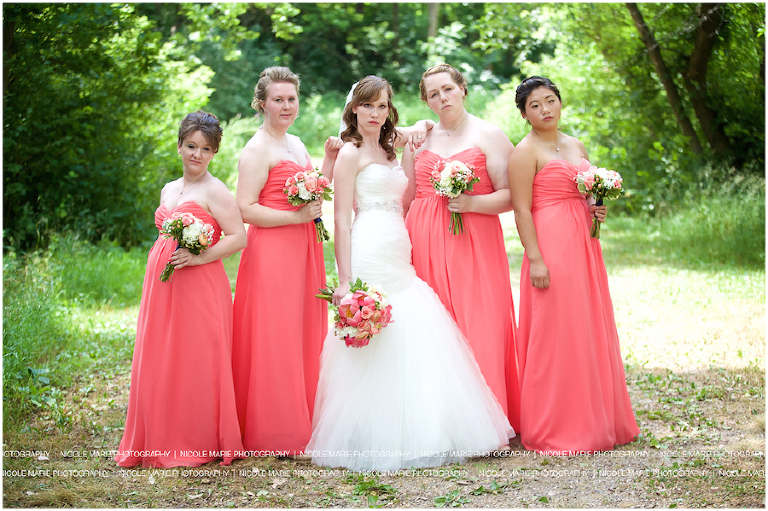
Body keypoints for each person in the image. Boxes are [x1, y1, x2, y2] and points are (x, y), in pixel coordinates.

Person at [306, 75, 514, 472]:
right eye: (367, 105)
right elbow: (341, 219)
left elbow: (425, 128)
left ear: (389, 110)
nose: (374, 113)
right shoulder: (351, 153)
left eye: (382, 105)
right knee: (379, 326)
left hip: (400, 244)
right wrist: (346, 279)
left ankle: (426, 423)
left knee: (414, 324)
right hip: (368, 243)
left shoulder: (389, 145)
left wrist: (419, 126)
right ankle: (371, 431)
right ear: (353, 108)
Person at [508, 76, 640, 454]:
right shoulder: (524, 152)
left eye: (550, 100)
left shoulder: (575, 145)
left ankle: (597, 417)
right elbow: (521, 209)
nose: (545, 109)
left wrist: (595, 208)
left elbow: (583, 193)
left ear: (560, 102)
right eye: (535, 105)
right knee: (557, 329)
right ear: (524, 114)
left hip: (584, 243)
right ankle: (558, 425)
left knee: (585, 323)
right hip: (550, 244)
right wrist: (535, 258)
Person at [116, 111, 246, 468]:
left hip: (200, 283)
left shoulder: (216, 190)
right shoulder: (169, 188)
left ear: (214, 153)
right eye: (191, 146)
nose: (197, 155)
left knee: (196, 356)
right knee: (163, 353)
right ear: (179, 145)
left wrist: (199, 258)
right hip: (162, 284)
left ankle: (196, 438)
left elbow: (239, 237)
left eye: (205, 149)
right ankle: (159, 433)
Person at [402, 64, 520, 433]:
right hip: (423, 239)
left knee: (479, 320)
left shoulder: (490, 134)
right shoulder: (420, 138)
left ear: (462, 89)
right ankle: (442, 422)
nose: (442, 98)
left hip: (473, 238)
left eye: (448, 89)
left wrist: (472, 205)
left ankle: (488, 419)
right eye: (433, 94)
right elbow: (405, 193)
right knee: (434, 325)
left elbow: (512, 194)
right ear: (426, 101)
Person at [231, 66, 342, 456]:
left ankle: (303, 415)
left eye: (291, 99)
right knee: (275, 334)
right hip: (273, 252)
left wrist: (327, 161)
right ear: (261, 103)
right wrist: (295, 219)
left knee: (301, 329)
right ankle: (274, 429)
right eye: (278, 99)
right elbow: (245, 209)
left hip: (304, 248)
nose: (286, 106)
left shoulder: (295, 142)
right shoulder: (256, 150)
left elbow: (314, 190)